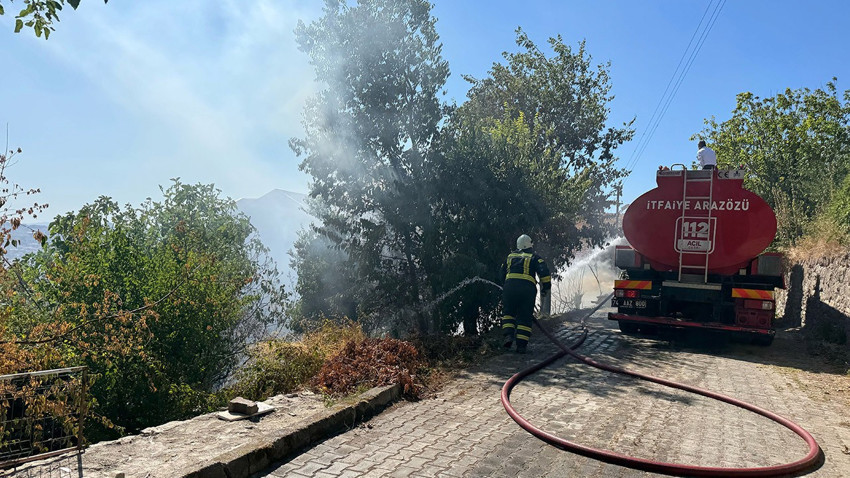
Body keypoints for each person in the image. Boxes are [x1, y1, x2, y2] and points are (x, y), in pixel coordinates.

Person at [498, 234, 551, 353]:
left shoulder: (510, 257)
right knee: (524, 317)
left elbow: (501, 274)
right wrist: (545, 288)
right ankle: (521, 346)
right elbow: (544, 273)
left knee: (508, 313)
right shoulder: (535, 257)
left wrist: (505, 287)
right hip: (527, 291)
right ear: (529, 245)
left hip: (509, 288)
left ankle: (508, 336)